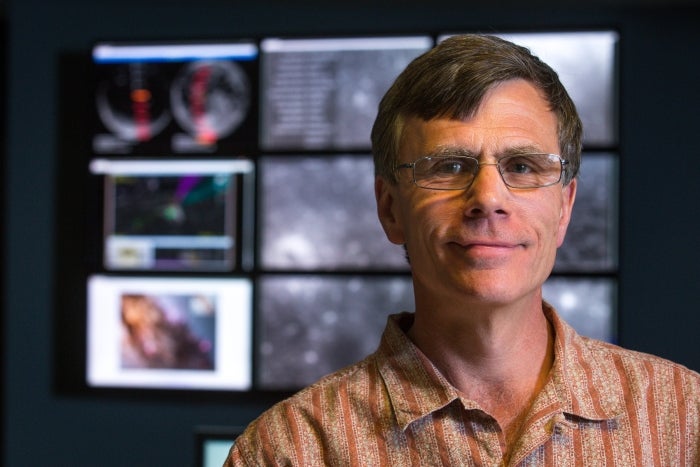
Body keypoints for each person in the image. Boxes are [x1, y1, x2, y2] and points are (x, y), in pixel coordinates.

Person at [226, 34, 700, 465]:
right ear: (390, 209)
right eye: (449, 166)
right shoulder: (288, 450)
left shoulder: (685, 419)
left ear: (564, 208)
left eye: (522, 165)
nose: (488, 198)